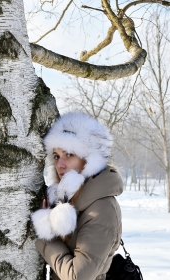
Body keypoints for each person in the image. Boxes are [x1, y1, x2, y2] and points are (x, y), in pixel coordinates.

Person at [31, 111, 123, 280]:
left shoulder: (101, 209)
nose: (60, 164)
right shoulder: (66, 199)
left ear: (90, 160)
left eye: (69, 154)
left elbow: (77, 276)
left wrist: (45, 237)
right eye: (57, 156)